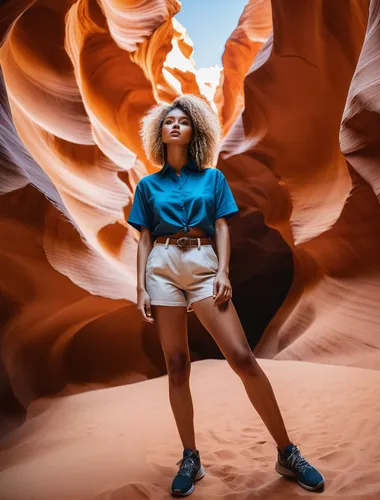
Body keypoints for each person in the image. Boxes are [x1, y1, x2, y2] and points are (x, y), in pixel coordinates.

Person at [128, 94, 325, 497]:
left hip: (202, 263)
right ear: (160, 133)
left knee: (241, 356)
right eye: (169, 121)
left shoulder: (213, 179)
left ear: (195, 130)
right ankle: (190, 457)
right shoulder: (148, 186)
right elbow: (144, 237)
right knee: (177, 363)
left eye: (184, 120)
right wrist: (140, 287)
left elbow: (221, 226)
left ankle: (287, 452)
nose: (176, 125)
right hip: (161, 267)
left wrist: (222, 271)